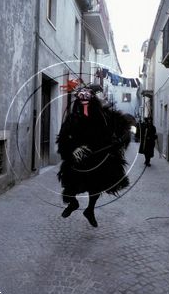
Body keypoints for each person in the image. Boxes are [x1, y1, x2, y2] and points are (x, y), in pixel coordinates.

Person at [56, 84, 131, 227]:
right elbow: (63, 139)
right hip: (78, 161)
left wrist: (119, 140)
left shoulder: (105, 116)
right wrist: (73, 152)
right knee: (70, 186)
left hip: (98, 158)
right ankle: (73, 203)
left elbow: (124, 129)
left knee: (96, 185)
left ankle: (89, 210)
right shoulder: (73, 118)